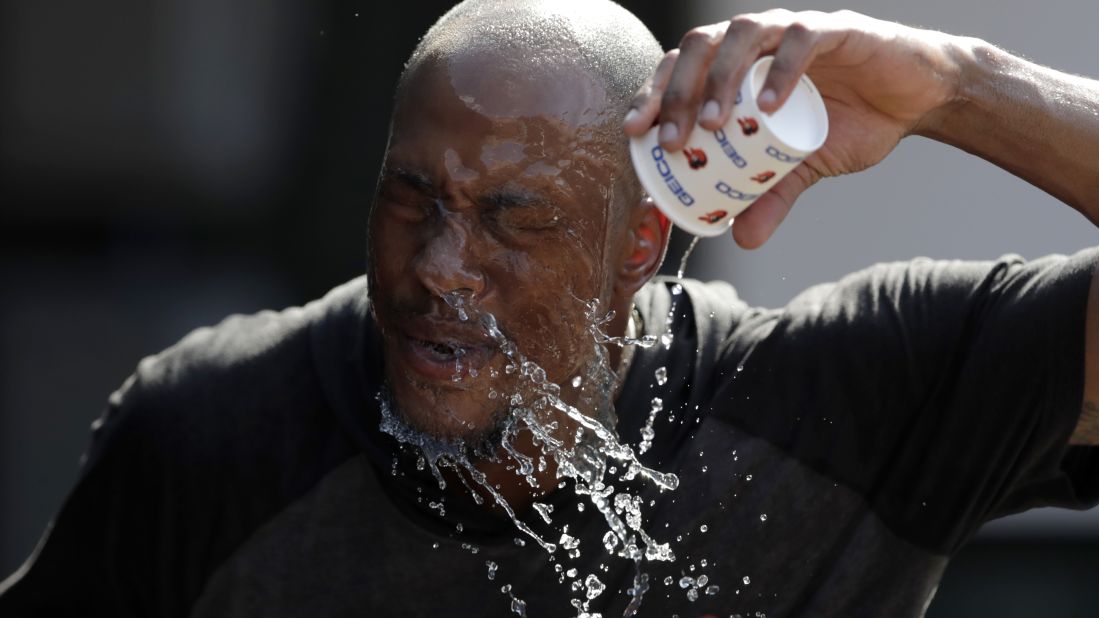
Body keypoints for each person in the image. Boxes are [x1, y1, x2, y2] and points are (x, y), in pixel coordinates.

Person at [2, 1, 1098, 616]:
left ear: (637, 246)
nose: (441, 265)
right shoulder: (216, 435)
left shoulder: (848, 405)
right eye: (410, 197)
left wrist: (958, 87)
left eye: (515, 221)